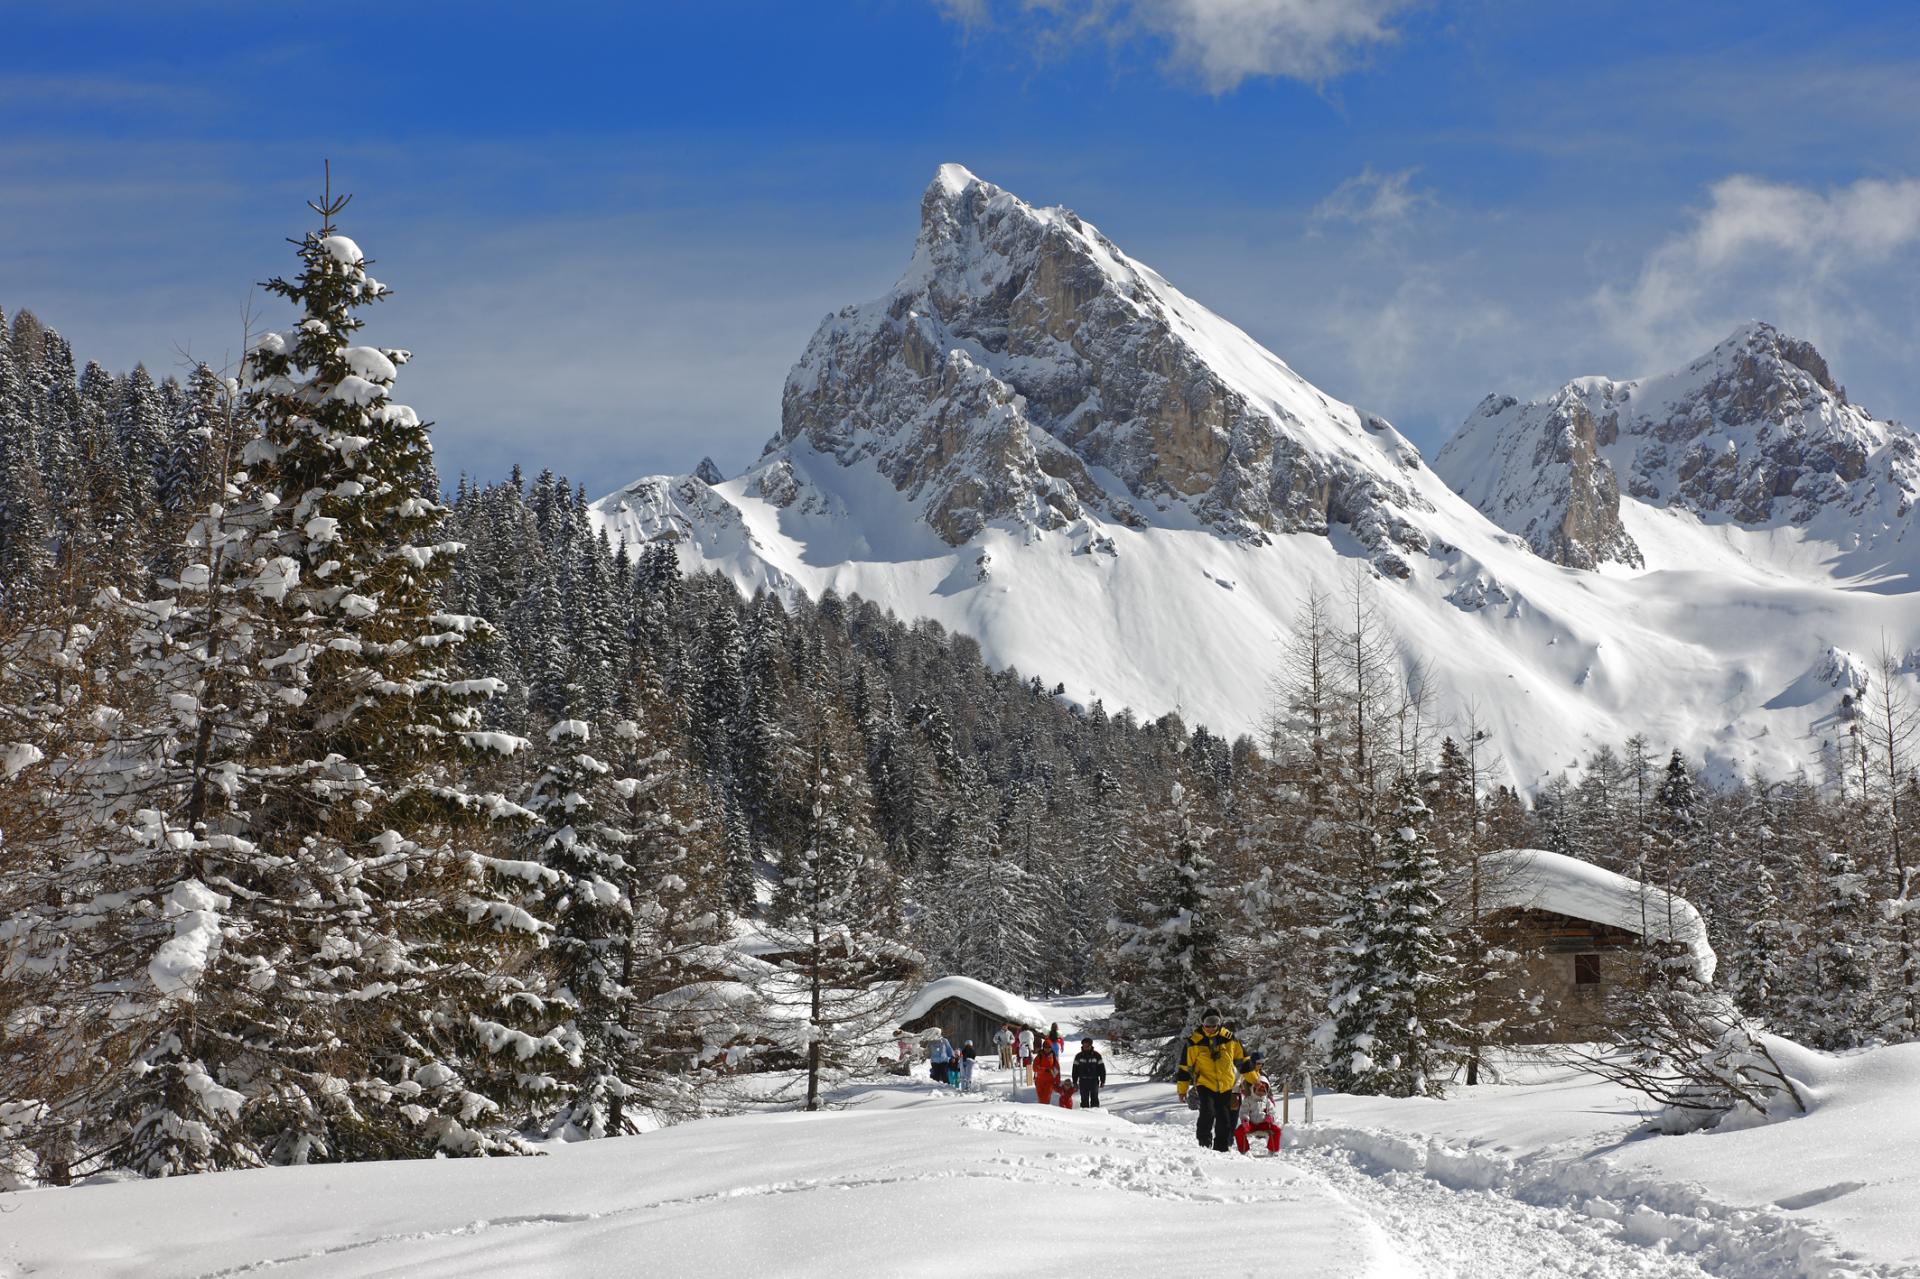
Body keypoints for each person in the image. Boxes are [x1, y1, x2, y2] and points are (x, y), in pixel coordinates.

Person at [1175, 1007, 1249, 1152]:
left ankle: (1221, 1147)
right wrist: (1182, 1091)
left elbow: (1244, 1062)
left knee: (1224, 1117)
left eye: (1214, 1024)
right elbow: (1184, 1069)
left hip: (1226, 1085)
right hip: (1205, 1083)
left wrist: (1254, 1080)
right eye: (1207, 1024)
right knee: (1207, 1111)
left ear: (1219, 1023)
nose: (1210, 1028)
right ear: (1202, 1023)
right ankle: (1204, 1141)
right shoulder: (1194, 1042)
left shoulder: (1230, 1039)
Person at [1234, 1068, 1282, 1155]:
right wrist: (1245, 1119)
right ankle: (1244, 1150)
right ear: (1254, 1089)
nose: (1261, 1093)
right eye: (1259, 1090)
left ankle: (1273, 1149)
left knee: (1276, 1130)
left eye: (1263, 1091)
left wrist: (1271, 1117)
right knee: (1239, 1132)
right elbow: (1244, 1111)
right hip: (1250, 1124)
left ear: (1267, 1091)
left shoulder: (1267, 1101)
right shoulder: (1248, 1100)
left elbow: (1272, 1111)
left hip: (1263, 1123)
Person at [1071, 1037, 1106, 1109]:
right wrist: (1074, 1082)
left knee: (1095, 1099)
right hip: (1083, 1081)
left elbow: (1102, 1069)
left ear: (1091, 1045)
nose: (1085, 1047)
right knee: (1084, 1100)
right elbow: (1075, 1070)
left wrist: (1103, 1080)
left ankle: (1096, 1115)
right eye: (1084, 1045)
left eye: (1087, 1046)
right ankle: (1085, 1116)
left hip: (1094, 1081)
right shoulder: (1078, 1056)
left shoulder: (1097, 1055)